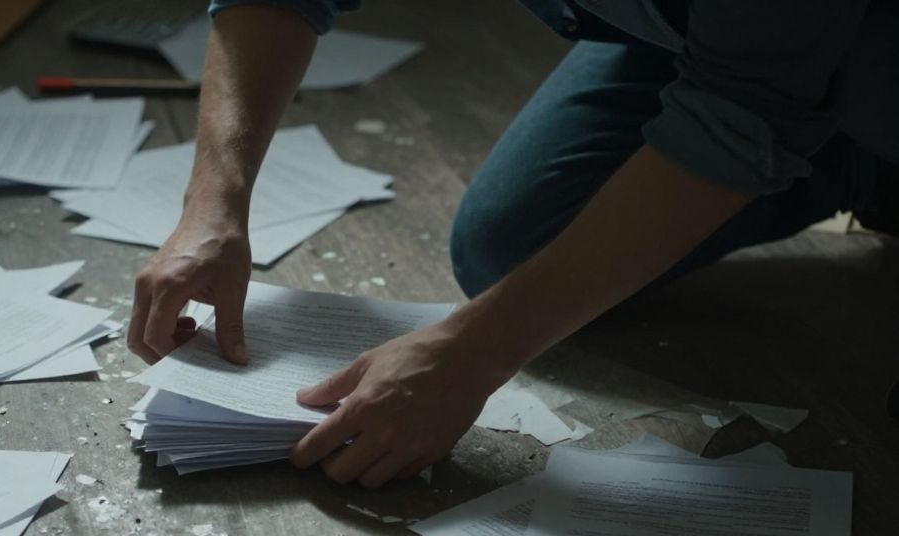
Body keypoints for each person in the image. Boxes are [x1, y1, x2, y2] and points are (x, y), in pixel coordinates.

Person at [127, 0, 898, 487]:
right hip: (717, 33)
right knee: (516, 242)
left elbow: (744, 112)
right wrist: (213, 203)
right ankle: (849, 151)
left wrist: (471, 353)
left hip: (779, 55)